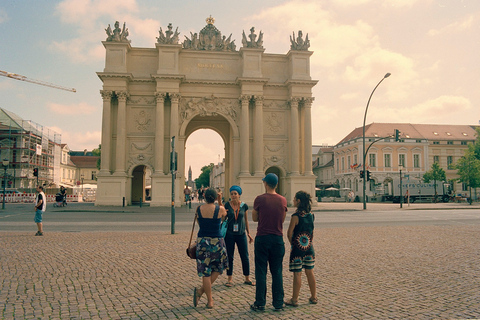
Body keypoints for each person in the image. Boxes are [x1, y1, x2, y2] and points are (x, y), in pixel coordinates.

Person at [250, 173, 287, 311]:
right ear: (276, 184)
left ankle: (260, 303)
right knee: (277, 271)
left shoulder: (259, 199)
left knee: (261, 272)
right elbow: (282, 220)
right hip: (277, 238)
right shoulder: (283, 200)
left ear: (265, 183)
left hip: (262, 238)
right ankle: (278, 302)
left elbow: (254, 218)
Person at [193, 188, 228, 309]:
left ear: (204, 196)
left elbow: (199, 223)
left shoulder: (199, 209)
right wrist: (220, 200)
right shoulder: (220, 209)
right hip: (217, 242)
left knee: (205, 271)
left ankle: (209, 300)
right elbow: (225, 217)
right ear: (215, 197)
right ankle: (202, 293)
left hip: (202, 241)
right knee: (218, 268)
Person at [285, 190, 318, 307]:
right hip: (309, 247)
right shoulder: (311, 215)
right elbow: (312, 231)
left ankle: (294, 299)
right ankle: (314, 297)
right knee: (310, 272)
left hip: (298, 249)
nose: (293, 201)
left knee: (297, 274)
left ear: (298, 201)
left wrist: (293, 244)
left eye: (294, 199)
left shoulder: (295, 216)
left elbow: (289, 233)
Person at [223, 185, 254, 287]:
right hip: (230, 234)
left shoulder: (244, 206)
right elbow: (223, 219)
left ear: (239, 195)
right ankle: (230, 278)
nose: (233, 195)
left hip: (241, 234)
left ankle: (247, 278)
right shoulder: (227, 205)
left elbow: (246, 220)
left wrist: (248, 233)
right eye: (232, 194)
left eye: (235, 193)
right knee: (230, 257)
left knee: (244, 256)